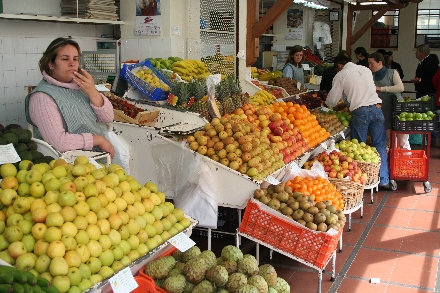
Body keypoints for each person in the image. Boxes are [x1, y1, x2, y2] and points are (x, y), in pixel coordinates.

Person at [25, 37, 115, 158]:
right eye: (64, 59)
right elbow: (58, 142)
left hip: (94, 162)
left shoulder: (80, 87)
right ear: (51, 64)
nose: (72, 63)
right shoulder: (42, 97)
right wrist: (98, 140)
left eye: (75, 59)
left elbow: (108, 117)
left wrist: (92, 91)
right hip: (64, 166)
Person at [325, 55, 394, 190]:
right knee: (380, 144)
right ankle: (384, 179)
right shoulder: (365, 69)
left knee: (358, 146)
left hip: (360, 112)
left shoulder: (341, 75)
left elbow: (332, 100)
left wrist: (327, 105)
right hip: (377, 109)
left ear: (339, 66)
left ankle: (362, 182)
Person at [368, 51, 410, 149]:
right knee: (389, 141)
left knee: (403, 140)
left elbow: (400, 88)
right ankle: (393, 162)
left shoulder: (392, 72)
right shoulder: (371, 76)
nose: (369, 66)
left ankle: (407, 161)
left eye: (371, 63)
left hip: (398, 110)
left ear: (380, 63)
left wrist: (381, 88)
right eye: (368, 63)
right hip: (384, 111)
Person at [411, 44, 439, 143]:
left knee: (429, 114)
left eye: (417, 51)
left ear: (422, 53)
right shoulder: (422, 62)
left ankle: (433, 137)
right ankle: (426, 137)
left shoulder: (431, 62)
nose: (415, 53)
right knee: (424, 114)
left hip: (428, 93)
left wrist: (420, 80)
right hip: (422, 92)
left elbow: (433, 79)